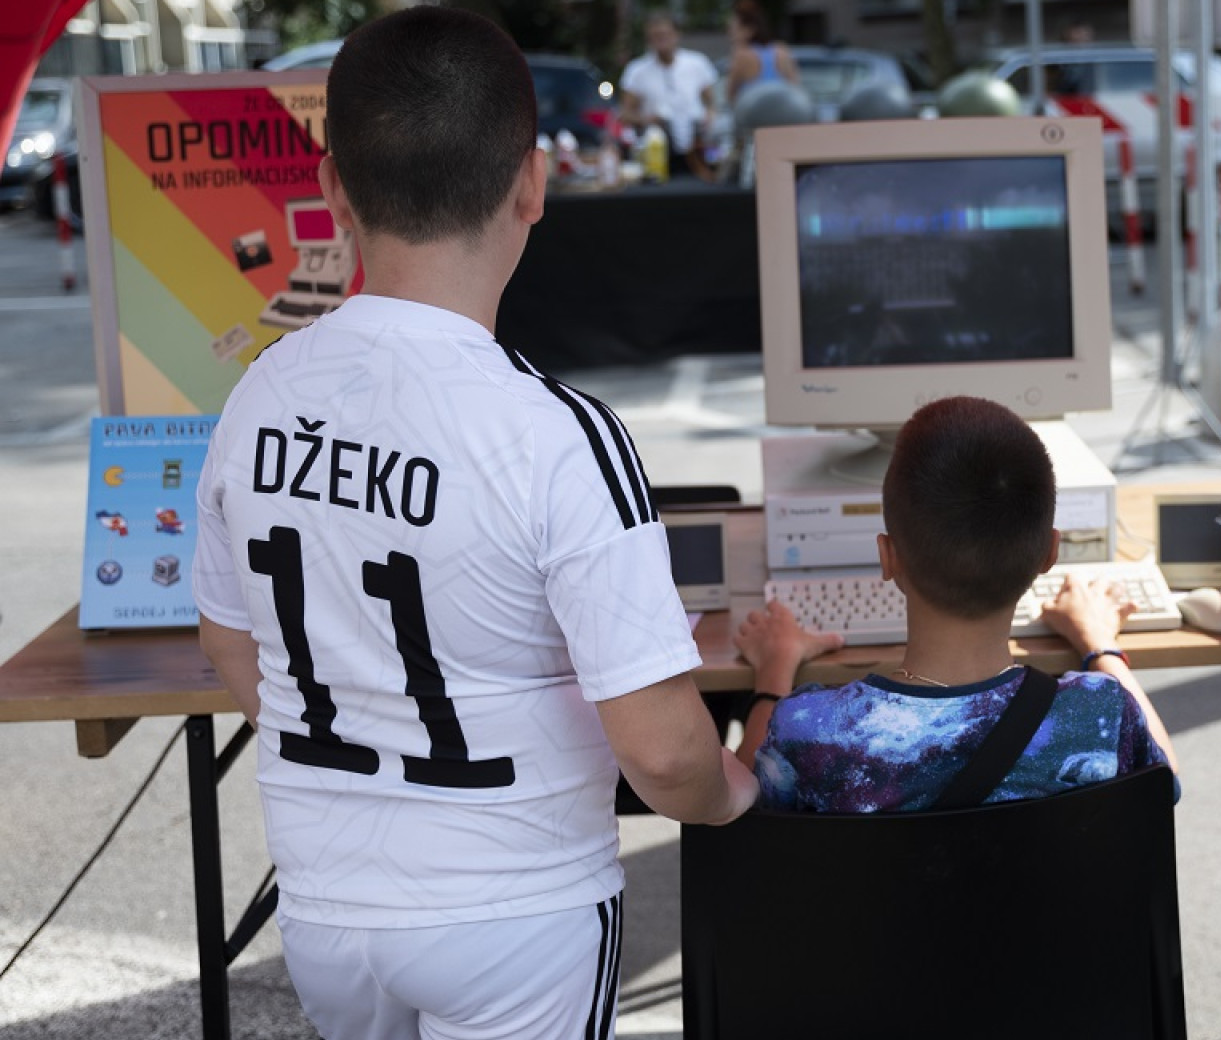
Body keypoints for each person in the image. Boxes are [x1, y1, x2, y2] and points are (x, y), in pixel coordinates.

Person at [192, 10, 759, 1037]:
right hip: (517, 910)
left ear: (332, 190)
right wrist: (739, 789)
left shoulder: (258, 395)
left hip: (326, 908)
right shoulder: (556, 435)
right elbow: (669, 753)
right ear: (533, 183)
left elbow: (233, 636)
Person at [730, 396, 1179, 812]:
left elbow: (745, 802)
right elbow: (1165, 783)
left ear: (888, 557)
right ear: (1050, 553)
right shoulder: (1099, 713)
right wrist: (1100, 645)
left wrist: (773, 675)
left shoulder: (809, 728)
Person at [620, 12, 718, 179]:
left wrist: (709, 115)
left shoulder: (697, 63)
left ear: (676, 35)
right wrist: (647, 120)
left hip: (695, 146)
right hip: (657, 149)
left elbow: (711, 101)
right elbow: (625, 113)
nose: (661, 41)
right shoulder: (637, 71)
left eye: (664, 35)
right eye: (655, 36)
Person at [724, 0, 799, 104]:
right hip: (785, 113)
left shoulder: (740, 55)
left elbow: (730, 94)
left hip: (753, 117)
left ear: (749, 30)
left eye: (733, 29)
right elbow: (795, 87)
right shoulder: (782, 50)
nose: (730, 34)